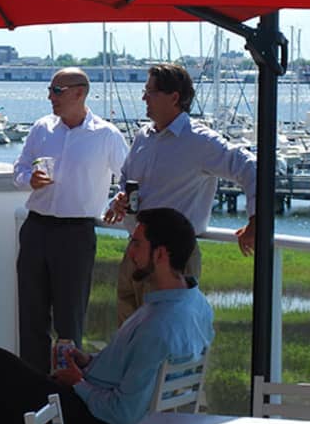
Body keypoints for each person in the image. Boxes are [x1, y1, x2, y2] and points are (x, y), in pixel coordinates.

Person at [0, 208, 214, 424]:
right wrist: (88, 361)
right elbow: (135, 370)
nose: (130, 253)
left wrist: (78, 382)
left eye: (137, 243)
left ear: (160, 254)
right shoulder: (195, 304)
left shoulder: (159, 325)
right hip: (104, 408)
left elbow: (123, 413)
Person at [105, 63, 257, 327]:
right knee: (126, 337)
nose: (144, 98)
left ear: (174, 97)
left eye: (150, 91)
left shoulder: (199, 141)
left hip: (172, 259)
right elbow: (126, 182)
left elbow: (249, 166)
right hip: (135, 250)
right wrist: (119, 199)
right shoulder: (144, 136)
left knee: (162, 339)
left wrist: (255, 220)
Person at [13, 67, 127, 373]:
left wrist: (120, 198)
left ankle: (67, 389)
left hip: (76, 234)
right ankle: (33, 389)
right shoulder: (42, 128)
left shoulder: (106, 135)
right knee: (31, 316)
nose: (51, 97)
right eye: (50, 91)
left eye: (57, 91)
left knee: (69, 318)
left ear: (80, 93)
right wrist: (29, 179)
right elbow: (19, 168)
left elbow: (129, 178)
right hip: (36, 227)